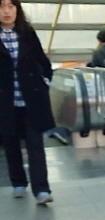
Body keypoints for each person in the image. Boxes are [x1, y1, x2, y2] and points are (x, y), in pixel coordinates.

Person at [0, 0, 54, 204]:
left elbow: (44, 63)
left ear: (17, 9)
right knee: (10, 142)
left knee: (35, 144)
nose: (6, 11)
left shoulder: (27, 34)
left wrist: (44, 84)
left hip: (31, 99)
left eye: (11, 6)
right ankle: (18, 183)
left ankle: (42, 189)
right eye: (2, 6)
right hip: (5, 102)